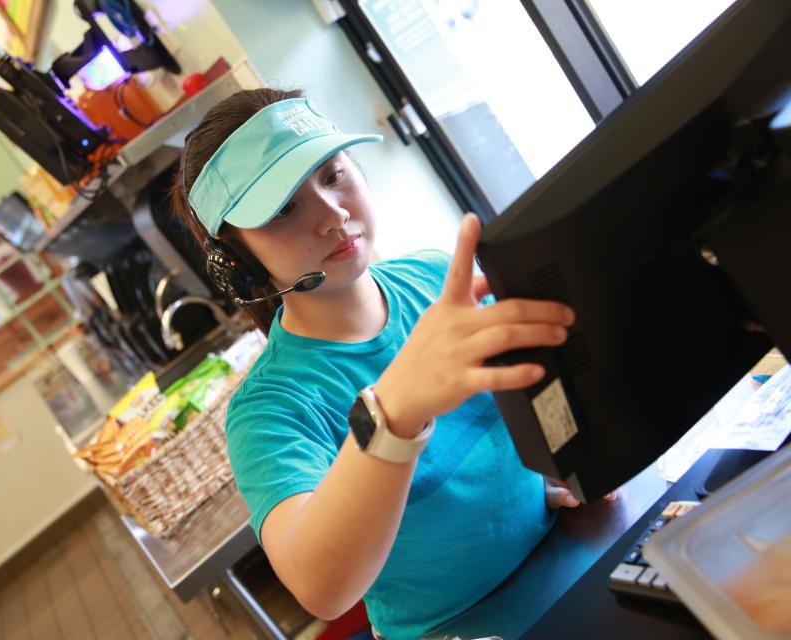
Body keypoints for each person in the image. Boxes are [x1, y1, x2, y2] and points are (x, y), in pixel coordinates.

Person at [171, 88, 611, 639]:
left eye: (332, 175)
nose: (333, 214)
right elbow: (321, 587)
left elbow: (544, 383)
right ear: (237, 263)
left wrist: (563, 466)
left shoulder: (432, 278)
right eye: (284, 208)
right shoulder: (271, 410)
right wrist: (395, 409)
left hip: (563, 558)